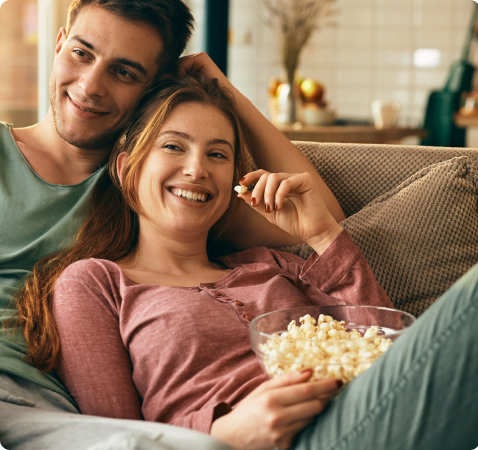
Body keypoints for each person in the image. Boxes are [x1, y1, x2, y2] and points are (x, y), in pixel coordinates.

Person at [0, 0, 345, 433]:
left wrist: (220, 90)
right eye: (81, 53)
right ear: (58, 45)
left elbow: (319, 216)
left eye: (124, 72)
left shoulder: (156, 188)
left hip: (38, 404)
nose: (90, 86)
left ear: (151, 89)